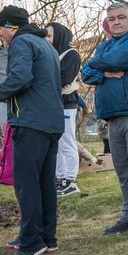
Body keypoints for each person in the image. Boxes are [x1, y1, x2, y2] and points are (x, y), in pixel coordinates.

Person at [0, 5, 64, 255]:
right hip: (52, 123)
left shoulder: (21, 42)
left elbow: (21, 77)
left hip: (31, 122)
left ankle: (31, 242)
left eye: (0, 28)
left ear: (10, 26)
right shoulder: (45, 45)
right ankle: (47, 238)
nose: (0, 34)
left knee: (26, 183)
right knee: (45, 183)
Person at [81, 3, 128, 238]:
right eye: (112, 18)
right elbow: (85, 73)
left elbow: (111, 61)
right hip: (112, 116)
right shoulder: (104, 46)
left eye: (121, 17)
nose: (116, 22)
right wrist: (104, 72)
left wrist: (99, 64)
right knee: (123, 169)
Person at [46, 22, 83, 197]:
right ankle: (60, 178)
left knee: (67, 142)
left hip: (67, 103)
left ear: (59, 35)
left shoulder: (71, 54)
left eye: (49, 35)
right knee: (58, 143)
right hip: (55, 104)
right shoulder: (53, 54)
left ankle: (71, 181)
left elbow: (64, 78)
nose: (47, 39)